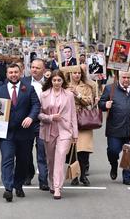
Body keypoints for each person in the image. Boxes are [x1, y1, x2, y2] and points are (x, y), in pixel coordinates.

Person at [0, 63, 40, 202]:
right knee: (7, 159)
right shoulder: (0, 90)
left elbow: (36, 105)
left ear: (20, 73)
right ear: (7, 74)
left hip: (24, 132)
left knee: (23, 161)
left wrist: (30, 117)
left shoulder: (29, 89)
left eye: (15, 72)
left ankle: (18, 185)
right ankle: (8, 188)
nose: (13, 74)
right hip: (6, 132)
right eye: (10, 72)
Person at [99, 67, 130, 185]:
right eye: (124, 77)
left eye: (128, 77)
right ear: (119, 77)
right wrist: (105, 104)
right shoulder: (110, 89)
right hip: (115, 127)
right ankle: (113, 165)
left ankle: (127, 176)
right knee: (113, 151)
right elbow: (101, 103)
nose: (126, 80)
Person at [39, 70, 78, 199]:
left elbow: (73, 114)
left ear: (63, 81)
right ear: (51, 81)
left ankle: (57, 187)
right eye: (54, 80)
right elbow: (39, 114)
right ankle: (52, 182)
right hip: (49, 130)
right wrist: (50, 117)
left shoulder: (69, 95)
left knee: (60, 157)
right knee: (50, 160)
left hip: (65, 130)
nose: (56, 83)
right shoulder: (44, 95)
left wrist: (75, 133)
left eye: (59, 80)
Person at [67, 67, 99, 186]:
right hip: (68, 121)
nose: (77, 75)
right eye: (74, 73)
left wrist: (77, 94)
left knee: (83, 150)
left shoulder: (86, 87)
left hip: (83, 121)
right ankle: (74, 175)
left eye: (79, 73)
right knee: (72, 150)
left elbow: (88, 102)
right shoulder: (65, 86)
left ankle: (83, 175)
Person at [23, 59, 49, 190]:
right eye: (32, 67)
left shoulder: (49, 82)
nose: (34, 70)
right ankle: (28, 174)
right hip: (28, 121)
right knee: (26, 151)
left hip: (44, 122)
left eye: (37, 68)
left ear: (44, 70)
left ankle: (43, 180)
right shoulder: (24, 82)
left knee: (42, 152)